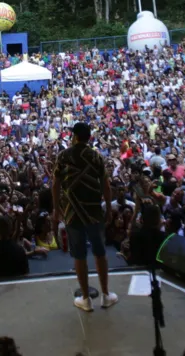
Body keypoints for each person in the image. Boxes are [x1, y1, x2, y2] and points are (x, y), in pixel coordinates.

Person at [53, 121, 117, 312]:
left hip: (72, 213)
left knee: (79, 255)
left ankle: (86, 298)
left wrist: (57, 209)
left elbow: (55, 185)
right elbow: (105, 185)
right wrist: (108, 208)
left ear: (74, 136)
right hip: (94, 211)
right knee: (100, 252)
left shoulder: (63, 156)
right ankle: (106, 295)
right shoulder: (96, 155)